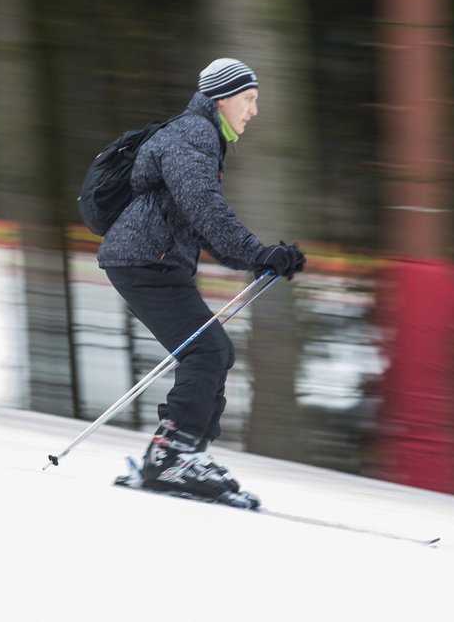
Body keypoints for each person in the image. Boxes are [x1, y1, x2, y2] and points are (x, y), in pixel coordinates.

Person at [97, 58, 305, 505]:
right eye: (248, 100)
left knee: (214, 351)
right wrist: (257, 253)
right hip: (143, 261)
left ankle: (185, 452)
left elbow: (201, 222)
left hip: (153, 260)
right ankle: (170, 458)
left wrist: (262, 259)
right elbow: (204, 207)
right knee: (206, 350)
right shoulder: (193, 134)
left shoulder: (199, 136)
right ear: (224, 98)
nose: (253, 111)